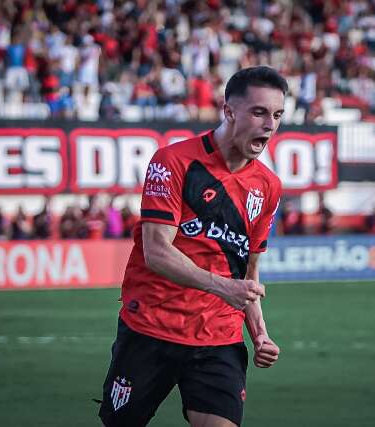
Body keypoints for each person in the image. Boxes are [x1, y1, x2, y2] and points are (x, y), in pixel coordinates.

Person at [98, 66, 287, 427]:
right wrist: (223, 287)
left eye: (277, 115)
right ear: (229, 111)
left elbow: (247, 274)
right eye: (259, 112)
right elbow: (157, 252)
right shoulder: (173, 162)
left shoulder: (269, 186)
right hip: (151, 327)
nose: (270, 124)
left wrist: (260, 334)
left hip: (218, 335)